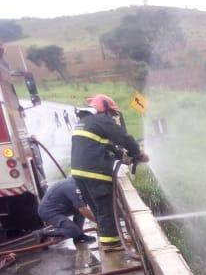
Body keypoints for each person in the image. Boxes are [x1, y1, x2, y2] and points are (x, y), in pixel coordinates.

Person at [70, 94, 149, 251]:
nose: (112, 117)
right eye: (111, 114)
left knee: (97, 207)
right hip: (95, 172)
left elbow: (103, 146)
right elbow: (123, 138)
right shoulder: (102, 120)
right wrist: (138, 153)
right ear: (104, 109)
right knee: (105, 206)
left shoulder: (85, 122)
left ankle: (108, 237)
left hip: (79, 174)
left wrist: (123, 157)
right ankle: (111, 243)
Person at [37, 177, 96, 244]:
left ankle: (78, 236)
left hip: (59, 208)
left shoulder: (77, 183)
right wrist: (98, 222)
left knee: (82, 205)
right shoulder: (72, 187)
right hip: (48, 211)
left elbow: (87, 205)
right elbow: (83, 210)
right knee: (73, 229)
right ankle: (42, 233)